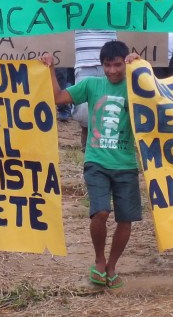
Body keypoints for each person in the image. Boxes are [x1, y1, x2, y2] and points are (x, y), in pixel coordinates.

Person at [42, 41, 140, 290]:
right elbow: (58, 97)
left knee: (125, 219)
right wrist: (51, 68)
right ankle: (99, 260)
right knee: (101, 212)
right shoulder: (91, 84)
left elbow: (161, 97)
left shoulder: (137, 86)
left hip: (126, 163)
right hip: (96, 161)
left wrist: (141, 67)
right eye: (107, 65)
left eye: (117, 64)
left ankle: (112, 267)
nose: (112, 71)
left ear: (125, 64)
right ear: (101, 65)